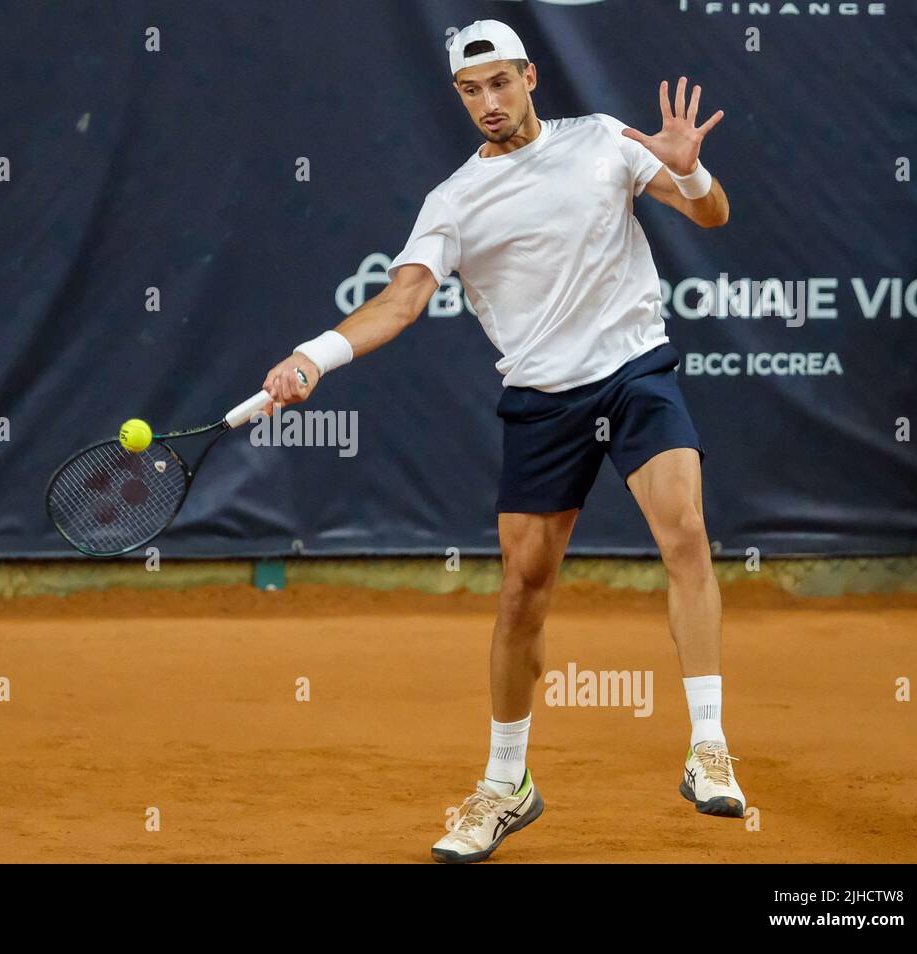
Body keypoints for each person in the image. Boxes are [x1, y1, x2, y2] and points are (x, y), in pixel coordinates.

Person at [260, 19, 744, 864]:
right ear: (460, 96)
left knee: (686, 533)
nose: (488, 102)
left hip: (635, 372)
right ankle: (506, 784)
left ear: (529, 77)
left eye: (499, 83)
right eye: (470, 90)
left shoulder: (601, 141)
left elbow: (711, 214)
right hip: (542, 399)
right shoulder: (452, 201)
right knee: (523, 589)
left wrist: (688, 167)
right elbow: (403, 300)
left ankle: (709, 748)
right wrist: (314, 356)